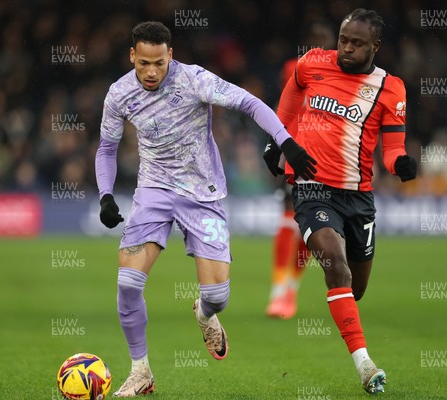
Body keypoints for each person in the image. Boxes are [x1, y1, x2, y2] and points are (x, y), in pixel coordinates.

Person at [96, 21, 316, 397]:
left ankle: (205, 314)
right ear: (132, 56)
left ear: (171, 56)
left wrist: (286, 141)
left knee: (217, 296)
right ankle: (140, 371)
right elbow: (106, 149)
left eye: (159, 63)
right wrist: (105, 195)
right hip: (153, 191)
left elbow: (250, 102)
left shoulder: (194, 80)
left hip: (203, 194)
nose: (151, 72)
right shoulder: (119, 94)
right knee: (129, 283)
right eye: (143, 63)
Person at [263, 9, 417, 395]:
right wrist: (277, 140)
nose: (346, 48)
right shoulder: (312, 62)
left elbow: (391, 150)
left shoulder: (391, 88)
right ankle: (365, 365)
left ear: (375, 47)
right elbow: (291, 92)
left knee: (356, 288)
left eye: (356, 43)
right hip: (311, 186)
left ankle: (339, 297)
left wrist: (402, 164)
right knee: (336, 265)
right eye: (343, 39)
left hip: (359, 196)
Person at [266, 21, 336, 320]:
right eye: (315, 42)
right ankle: (279, 289)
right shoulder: (295, 68)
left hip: (327, 159)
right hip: (296, 153)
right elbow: (292, 108)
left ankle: (290, 289)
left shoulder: (344, 77)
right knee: (287, 219)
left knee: (308, 225)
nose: (320, 47)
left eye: (325, 42)